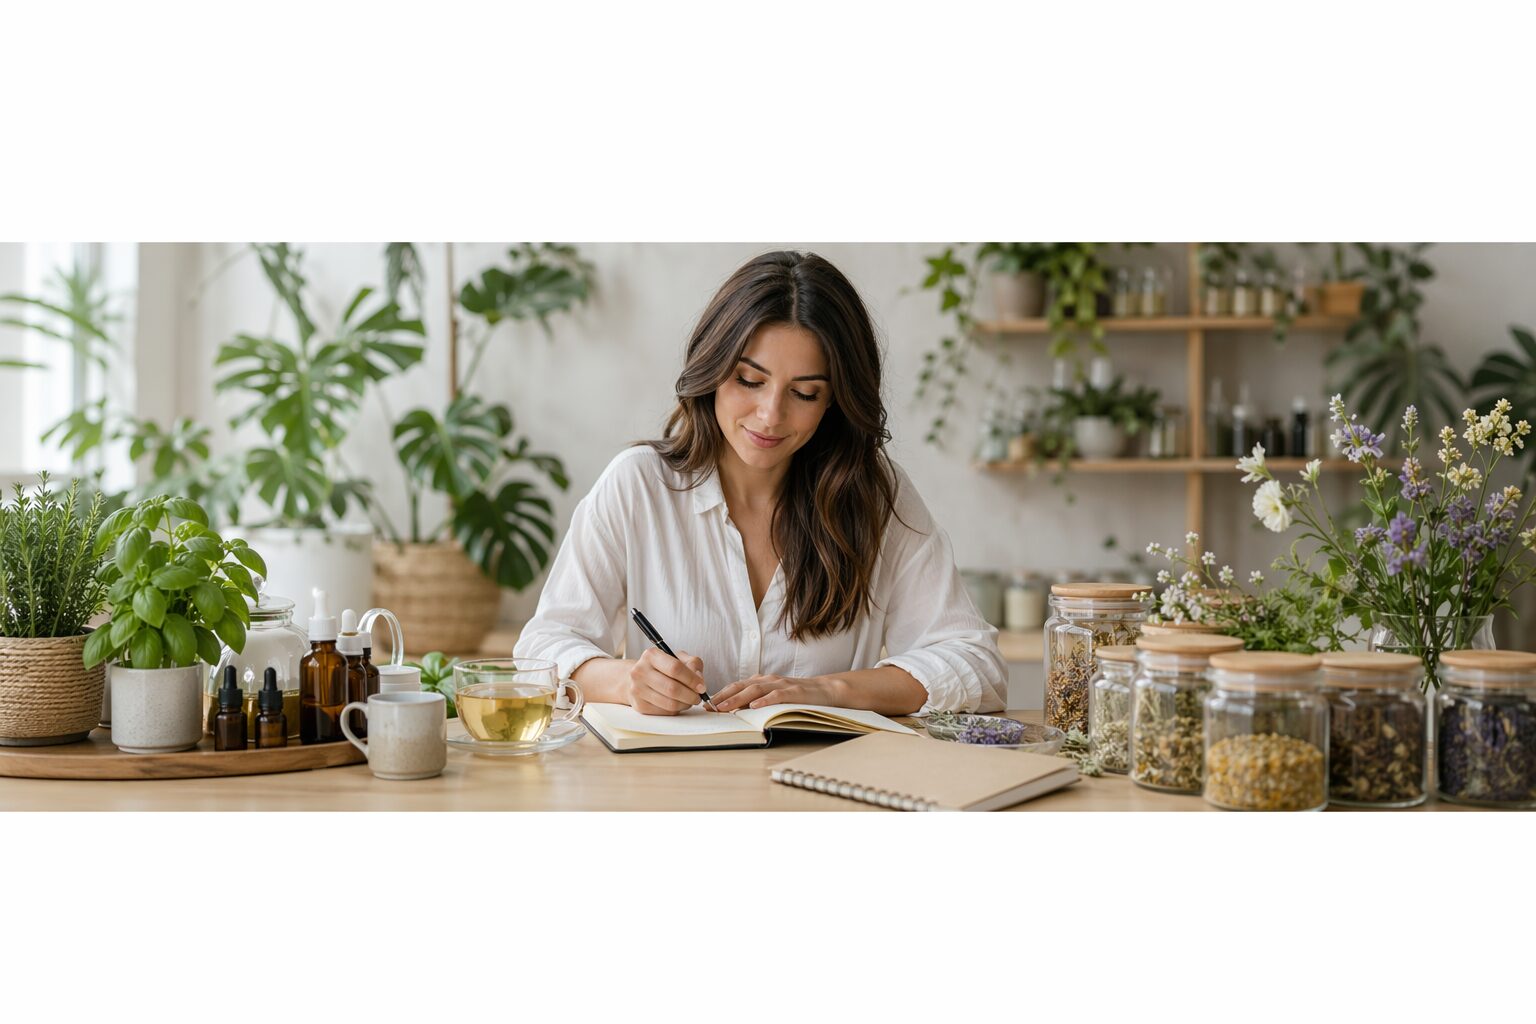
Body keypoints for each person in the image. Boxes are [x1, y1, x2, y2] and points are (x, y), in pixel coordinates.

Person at [514, 250, 1007, 717]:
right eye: (750, 381)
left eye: (805, 392)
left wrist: (828, 690)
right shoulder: (639, 485)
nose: (771, 415)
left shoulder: (874, 496)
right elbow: (542, 649)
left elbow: (977, 666)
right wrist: (627, 682)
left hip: (824, 794)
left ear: (834, 400)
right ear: (713, 367)